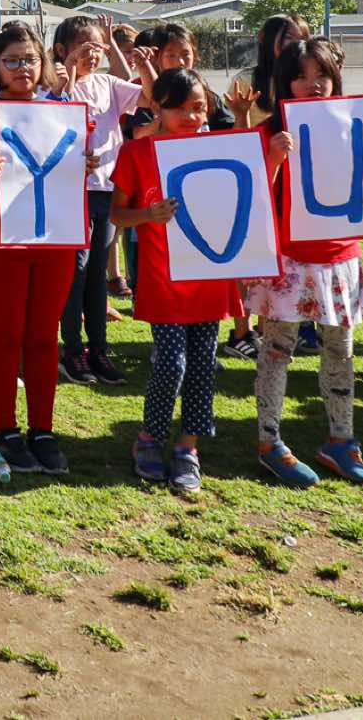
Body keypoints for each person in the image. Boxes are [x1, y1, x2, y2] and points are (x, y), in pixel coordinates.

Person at [0, 23, 90, 476]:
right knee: (6, 334)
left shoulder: (62, 113)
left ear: (43, 63)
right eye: (11, 60)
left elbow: (73, 168)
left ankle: (43, 430)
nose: (22, 68)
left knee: (44, 336)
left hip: (54, 237)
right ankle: (4, 429)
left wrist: (83, 163)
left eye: (29, 59)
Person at [111, 70, 244, 497]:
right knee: (172, 363)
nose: (191, 116)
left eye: (199, 108)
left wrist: (243, 118)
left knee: (203, 364)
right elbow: (117, 213)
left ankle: (189, 446)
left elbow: (251, 184)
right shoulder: (136, 152)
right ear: (158, 108)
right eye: (179, 108)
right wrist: (147, 215)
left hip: (209, 279)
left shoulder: (218, 148)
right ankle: (149, 437)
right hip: (163, 280)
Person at [250, 38, 363, 488]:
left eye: (320, 75)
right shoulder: (269, 131)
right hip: (289, 259)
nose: (312, 84)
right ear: (284, 82)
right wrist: (274, 158)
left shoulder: (357, 124)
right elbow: (251, 197)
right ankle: (269, 442)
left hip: (340, 256)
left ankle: (341, 439)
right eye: (300, 77)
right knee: (276, 350)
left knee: (341, 349)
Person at [51, 17, 142, 386]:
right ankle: (72, 349)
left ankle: (98, 349)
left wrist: (115, 46)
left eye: (97, 47)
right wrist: (67, 76)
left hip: (106, 187)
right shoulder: (54, 85)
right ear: (62, 50)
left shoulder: (107, 83)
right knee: (75, 271)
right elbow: (56, 115)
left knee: (97, 273)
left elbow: (145, 92)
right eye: (84, 47)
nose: (93, 54)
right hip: (72, 190)